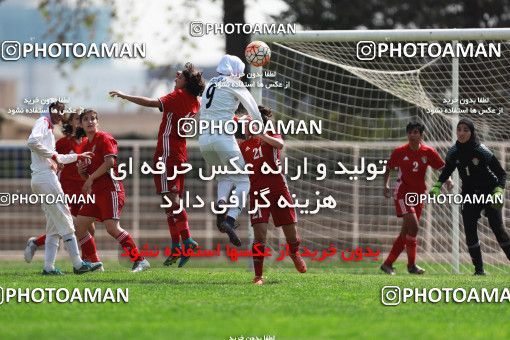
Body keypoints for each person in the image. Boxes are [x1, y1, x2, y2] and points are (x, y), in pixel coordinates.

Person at [109, 62, 205, 267]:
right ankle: (177, 245)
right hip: (179, 153)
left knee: (171, 200)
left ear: (186, 82)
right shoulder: (194, 100)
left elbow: (151, 103)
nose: (176, 75)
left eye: (181, 75)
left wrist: (125, 96)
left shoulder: (178, 97)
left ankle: (186, 240)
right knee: (171, 202)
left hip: (167, 154)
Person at [27, 101, 102, 275]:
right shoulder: (43, 122)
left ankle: (48, 267)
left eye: (62, 112)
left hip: (41, 178)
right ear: (49, 111)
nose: (62, 115)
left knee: (54, 226)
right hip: (46, 179)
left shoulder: (49, 128)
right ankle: (78, 263)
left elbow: (58, 157)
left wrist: (77, 156)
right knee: (66, 219)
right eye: (59, 111)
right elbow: (32, 142)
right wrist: (52, 156)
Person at [198, 54, 263, 247]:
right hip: (223, 138)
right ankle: (230, 219)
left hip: (204, 141)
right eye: (240, 73)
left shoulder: (210, 84)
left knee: (225, 176)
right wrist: (258, 128)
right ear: (235, 71)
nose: (241, 77)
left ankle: (220, 205)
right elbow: (253, 109)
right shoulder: (233, 83)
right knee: (244, 181)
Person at [430, 118, 509, 275]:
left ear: (472, 132)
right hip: (468, 194)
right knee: (470, 230)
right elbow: (448, 169)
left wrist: (499, 190)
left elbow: (501, 173)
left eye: (466, 130)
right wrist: (438, 185)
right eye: (459, 129)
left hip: (490, 192)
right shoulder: (453, 152)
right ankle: (479, 271)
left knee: (498, 228)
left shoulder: (482, 150)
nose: (461, 133)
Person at [74, 109, 150, 272]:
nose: (90, 122)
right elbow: (87, 176)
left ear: (98, 122)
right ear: (81, 124)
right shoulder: (85, 145)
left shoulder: (105, 138)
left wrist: (90, 178)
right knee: (79, 225)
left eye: (93, 118)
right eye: (86, 119)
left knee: (112, 228)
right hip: (96, 192)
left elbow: (109, 162)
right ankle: (94, 263)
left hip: (111, 190)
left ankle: (140, 260)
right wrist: (82, 173)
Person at [238, 106, 306, 285]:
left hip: (278, 190)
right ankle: (258, 276)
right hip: (258, 193)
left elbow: (280, 144)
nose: (246, 125)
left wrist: (260, 134)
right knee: (259, 235)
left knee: (291, 234)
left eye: (249, 121)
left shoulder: (270, 134)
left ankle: (294, 252)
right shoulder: (242, 144)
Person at [380, 122, 452, 275]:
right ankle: (411, 266)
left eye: (415, 132)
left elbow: (441, 168)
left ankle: (388, 264)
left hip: (418, 195)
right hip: (402, 193)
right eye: (410, 133)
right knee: (414, 226)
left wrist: (449, 180)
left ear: (421, 135)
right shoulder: (400, 151)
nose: (412, 135)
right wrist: (385, 185)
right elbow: (388, 169)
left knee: (406, 232)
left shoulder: (428, 152)